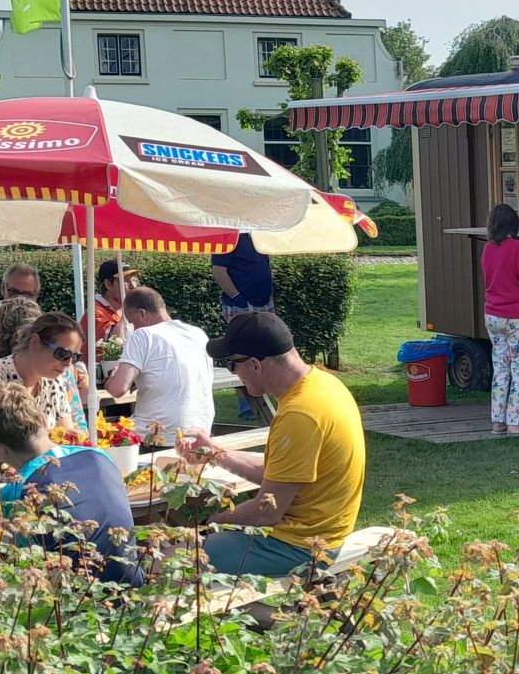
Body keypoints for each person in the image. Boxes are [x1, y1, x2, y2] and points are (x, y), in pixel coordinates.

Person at [178, 312, 364, 579]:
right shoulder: (324, 385)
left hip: (302, 547)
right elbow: (279, 475)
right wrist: (214, 453)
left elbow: (266, 511)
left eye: (232, 365)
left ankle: (272, 619)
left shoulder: (299, 414)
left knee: (171, 556)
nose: (234, 373)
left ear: (255, 364)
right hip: (323, 534)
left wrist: (216, 521)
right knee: (186, 546)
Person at [0, 383, 143, 587]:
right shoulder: (99, 456)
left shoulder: (17, 490)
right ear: (42, 420)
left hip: (76, 596)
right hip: (132, 584)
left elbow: (23, 560)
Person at [103, 286, 214, 446]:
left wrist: (111, 378)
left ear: (142, 313)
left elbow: (117, 390)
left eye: (132, 322)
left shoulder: (143, 335)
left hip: (158, 436)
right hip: (201, 432)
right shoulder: (198, 333)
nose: (133, 328)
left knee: (100, 438)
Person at [0, 308, 92, 438]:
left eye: (75, 357)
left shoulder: (55, 380)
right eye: (63, 354)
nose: (69, 363)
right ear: (34, 343)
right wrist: (48, 436)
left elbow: (66, 436)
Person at [482, 203, 519, 435]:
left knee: (501, 367)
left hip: (493, 315)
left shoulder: (487, 249)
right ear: (513, 225)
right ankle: (515, 422)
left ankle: (498, 421)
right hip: (518, 317)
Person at [212, 235, 272, 420]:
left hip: (264, 302)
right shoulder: (227, 238)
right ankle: (244, 401)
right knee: (241, 352)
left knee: (264, 350)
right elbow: (219, 272)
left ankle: (261, 392)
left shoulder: (259, 237)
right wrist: (238, 298)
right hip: (241, 305)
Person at [94, 259, 141, 344]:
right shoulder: (95, 313)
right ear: (108, 284)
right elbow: (115, 343)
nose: (134, 286)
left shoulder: (128, 308)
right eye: (126, 281)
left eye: (135, 280)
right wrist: (126, 312)